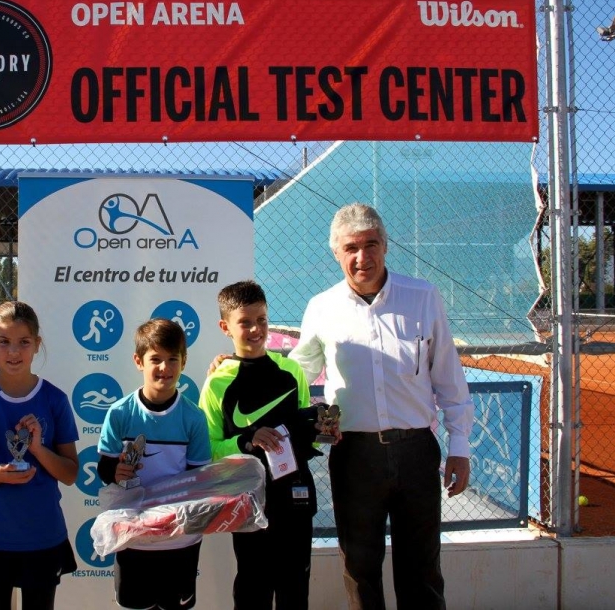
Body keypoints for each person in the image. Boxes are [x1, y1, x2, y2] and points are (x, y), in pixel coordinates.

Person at [287, 202, 473, 610]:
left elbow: (449, 378)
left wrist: (459, 447)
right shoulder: (322, 307)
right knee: (360, 568)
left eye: (371, 244)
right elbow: (295, 373)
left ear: (386, 246)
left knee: (422, 570)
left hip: (416, 452)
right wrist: (240, 363)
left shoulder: (423, 297)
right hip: (354, 456)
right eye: (351, 247)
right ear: (335, 252)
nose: (362, 257)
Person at [198, 279, 328, 610]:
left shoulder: (292, 371)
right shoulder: (217, 384)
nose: (256, 329)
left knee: (295, 588)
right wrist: (246, 440)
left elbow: (305, 433)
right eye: (245, 322)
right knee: (253, 588)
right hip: (248, 501)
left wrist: (325, 428)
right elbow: (206, 450)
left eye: (262, 320)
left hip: (295, 498)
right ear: (225, 327)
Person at [0, 301, 80, 610]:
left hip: (42, 537)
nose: (13, 351)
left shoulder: (55, 399)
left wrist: (37, 449)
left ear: (37, 345)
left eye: (23, 342)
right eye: (4, 342)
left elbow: (71, 474)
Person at [97, 318, 212, 610]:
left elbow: (198, 480)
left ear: (183, 362)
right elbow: (104, 469)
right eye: (156, 359)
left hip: (179, 541)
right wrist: (115, 472)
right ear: (139, 361)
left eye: (173, 359)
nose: (165, 368)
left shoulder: (193, 417)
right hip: (134, 538)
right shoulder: (120, 412)